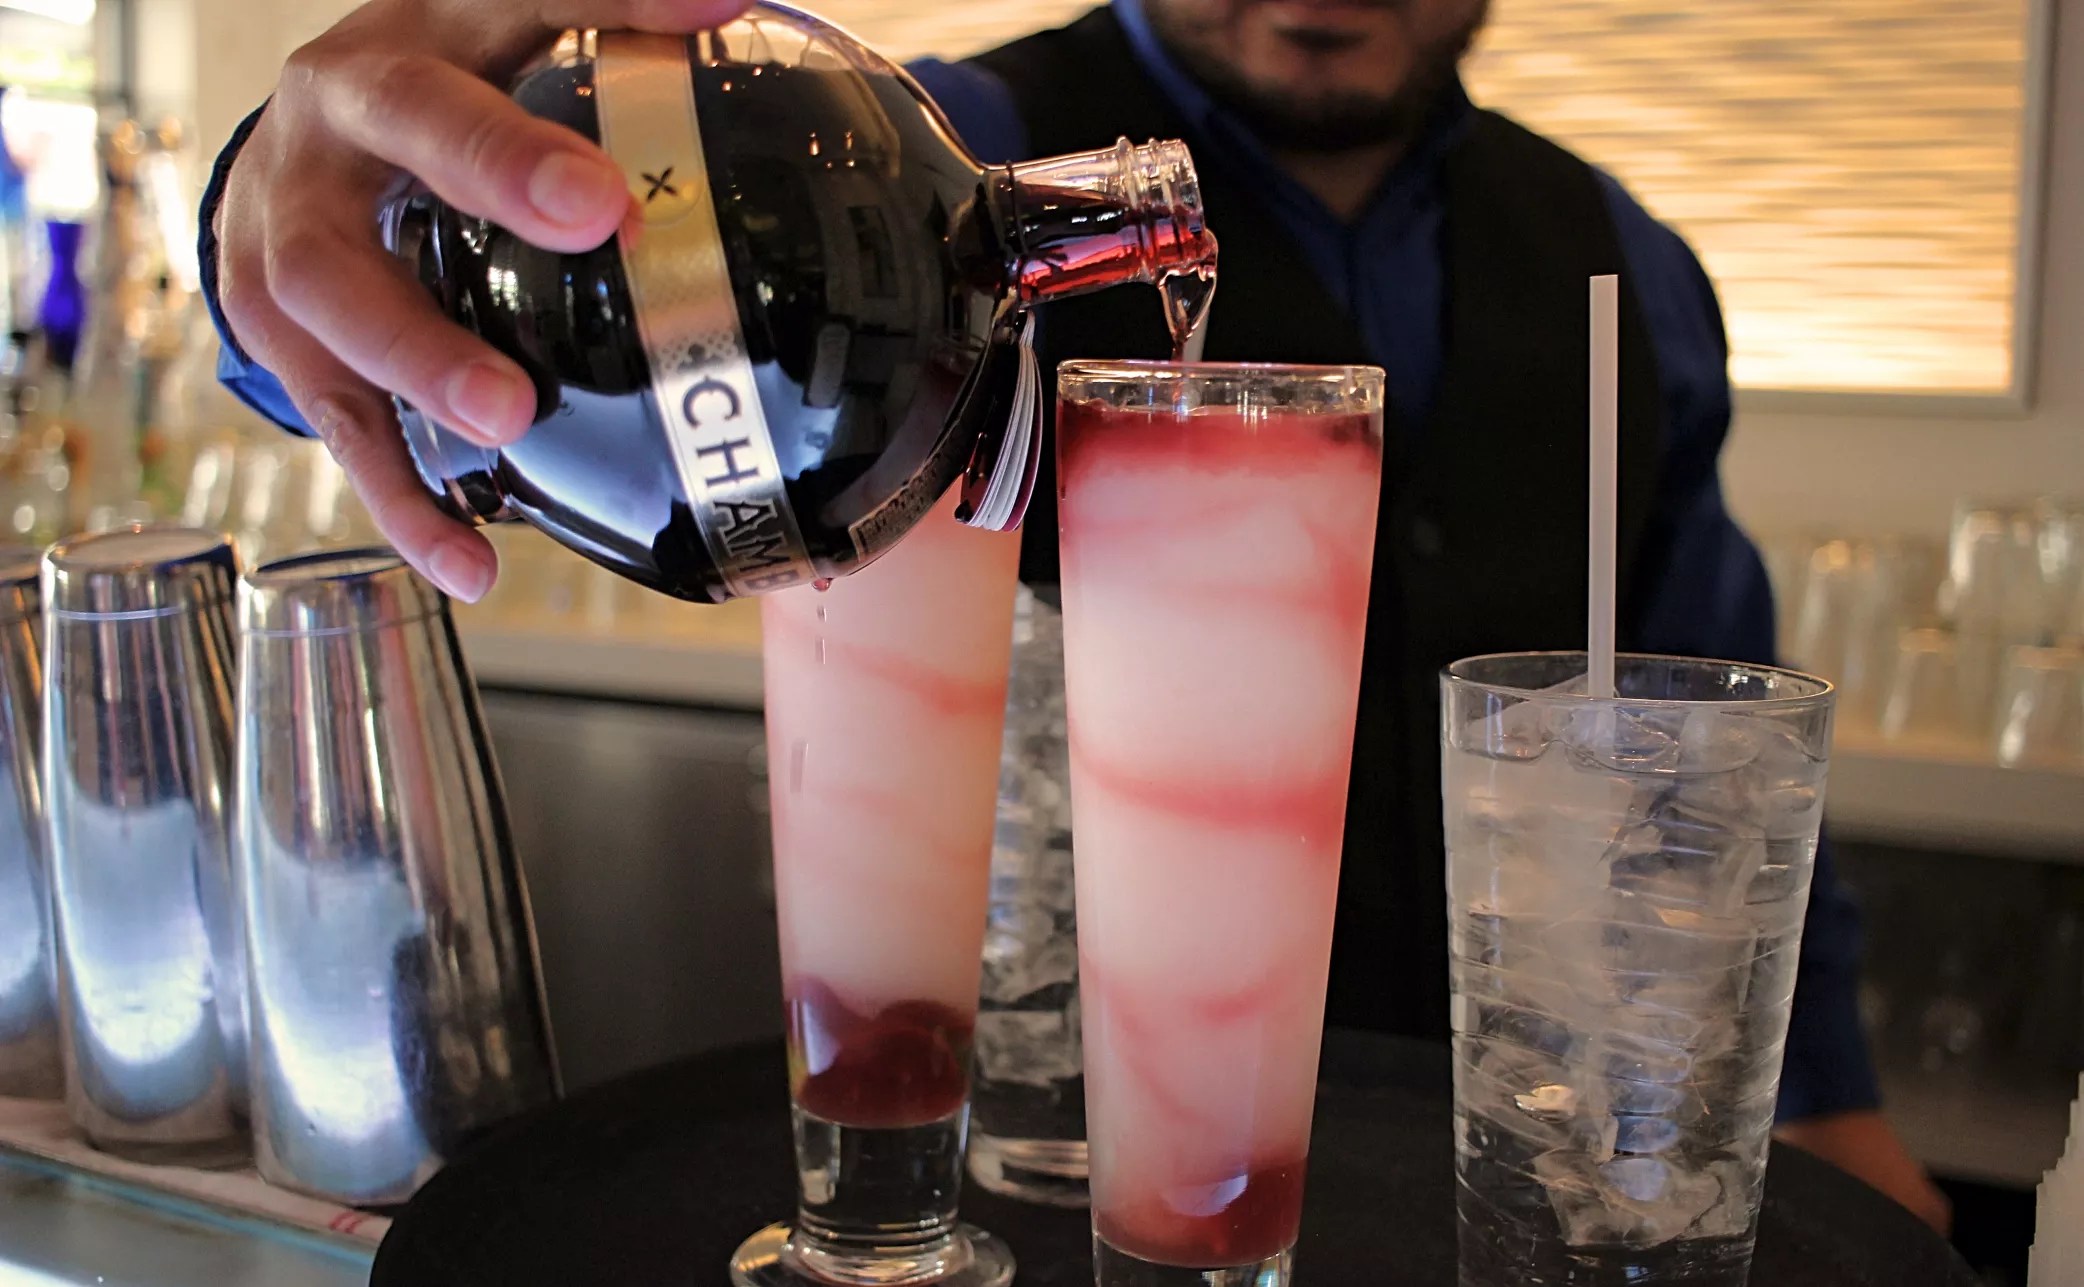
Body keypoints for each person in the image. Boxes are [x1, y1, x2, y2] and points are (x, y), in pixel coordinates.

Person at [201, 0, 1950, 1234]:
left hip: (1480, 1187)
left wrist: (1827, 1097)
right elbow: (439, 310)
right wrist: (277, 211)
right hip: (1028, 1187)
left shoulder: (1629, 262)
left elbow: (1699, 761)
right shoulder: (946, 139)